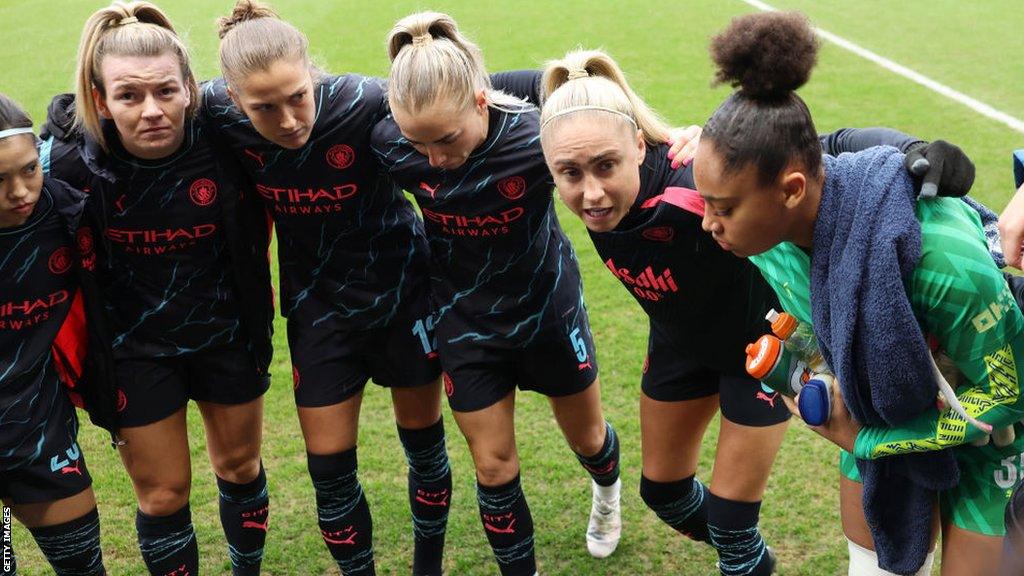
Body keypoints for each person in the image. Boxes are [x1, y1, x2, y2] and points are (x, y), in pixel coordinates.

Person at [538, 46, 945, 576]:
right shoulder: (574, 154)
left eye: (606, 167)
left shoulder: (695, 184)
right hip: (681, 345)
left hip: (765, 352)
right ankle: (754, 560)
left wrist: (914, 149)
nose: (591, 193)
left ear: (638, 146)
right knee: (663, 493)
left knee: (730, 523)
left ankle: (742, 554)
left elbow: (822, 150)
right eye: (569, 173)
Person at [694, 11, 1024, 575]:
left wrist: (870, 440)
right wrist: (813, 367)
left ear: (792, 191)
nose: (708, 223)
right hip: (881, 409)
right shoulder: (765, 237)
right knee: (874, 568)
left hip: (991, 437)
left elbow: (1010, 395)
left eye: (722, 208)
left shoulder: (943, 263)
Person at [371, 12, 623, 575]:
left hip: (547, 309)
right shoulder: (389, 143)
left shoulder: (535, 135)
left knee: (587, 438)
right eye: (419, 142)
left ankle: (607, 494)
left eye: (446, 138)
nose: (433, 158)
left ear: (482, 102)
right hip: (465, 320)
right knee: (492, 465)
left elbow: (616, 144)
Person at [206, 2, 448, 574]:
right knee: (330, 471)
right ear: (235, 100)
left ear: (313, 72)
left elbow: (470, 92)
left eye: (297, 96)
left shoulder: (364, 100)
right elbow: (123, 113)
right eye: (265, 107)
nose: (289, 120)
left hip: (404, 297)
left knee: (425, 449)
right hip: (319, 310)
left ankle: (428, 567)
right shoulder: (212, 111)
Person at [49, 2, 276, 574]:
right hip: (133, 351)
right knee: (163, 495)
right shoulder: (70, 162)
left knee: (241, 467)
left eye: (165, 92)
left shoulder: (228, 139)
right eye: (128, 96)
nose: (151, 111)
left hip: (226, 334)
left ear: (190, 90)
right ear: (101, 100)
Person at [0, 92, 108, 576]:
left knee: (84, 567)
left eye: (28, 169)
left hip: (37, 423)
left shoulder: (64, 213)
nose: (20, 192)